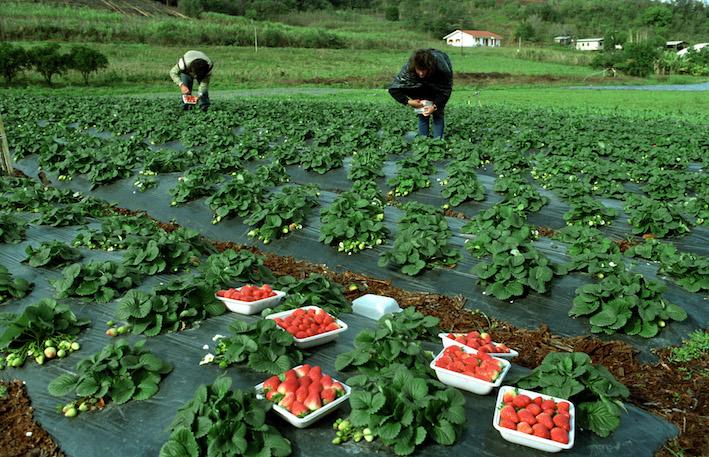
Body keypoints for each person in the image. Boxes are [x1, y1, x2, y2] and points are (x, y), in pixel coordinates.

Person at [388, 49, 453, 139]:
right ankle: (423, 141)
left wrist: (435, 106)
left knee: (438, 114)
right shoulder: (408, 69)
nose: (421, 73)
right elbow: (393, 89)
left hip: (437, 87)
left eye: (424, 70)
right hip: (418, 88)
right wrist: (409, 101)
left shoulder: (441, 68)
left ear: (429, 68)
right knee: (423, 113)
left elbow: (446, 90)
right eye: (419, 70)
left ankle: (438, 142)